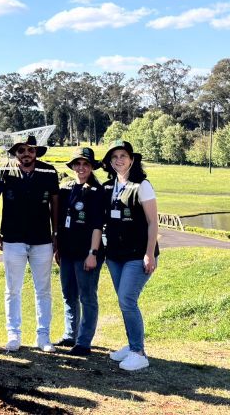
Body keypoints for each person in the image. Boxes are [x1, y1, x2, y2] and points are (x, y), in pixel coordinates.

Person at [0, 134, 59, 353]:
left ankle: (43, 336)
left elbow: (55, 205)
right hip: (12, 238)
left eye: (30, 150)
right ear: (15, 152)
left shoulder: (49, 172)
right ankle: (13, 335)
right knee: (12, 289)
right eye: (21, 150)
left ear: (36, 151)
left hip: (42, 240)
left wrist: (56, 234)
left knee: (43, 290)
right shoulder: (3, 171)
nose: (26, 154)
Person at [101, 139, 159, 372]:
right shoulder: (110, 186)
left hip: (138, 255)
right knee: (124, 302)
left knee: (127, 299)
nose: (118, 160)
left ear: (132, 159)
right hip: (115, 255)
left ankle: (138, 352)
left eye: (123, 156)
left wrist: (149, 254)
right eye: (114, 157)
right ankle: (132, 344)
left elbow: (153, 222)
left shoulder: (142, 185)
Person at [55, 147, 105, 356]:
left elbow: (97, 225)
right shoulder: (67, 189)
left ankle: (84, 341)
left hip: (87, 253)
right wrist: (57, 247)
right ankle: (70, 335)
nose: (81, 168)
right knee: (69, 295)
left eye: (86, 164)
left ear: (92, 167)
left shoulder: (97, 192)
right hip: (67, 251)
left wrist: (92, 253)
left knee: (87, 297)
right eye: (78, 164)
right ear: (73, 166)